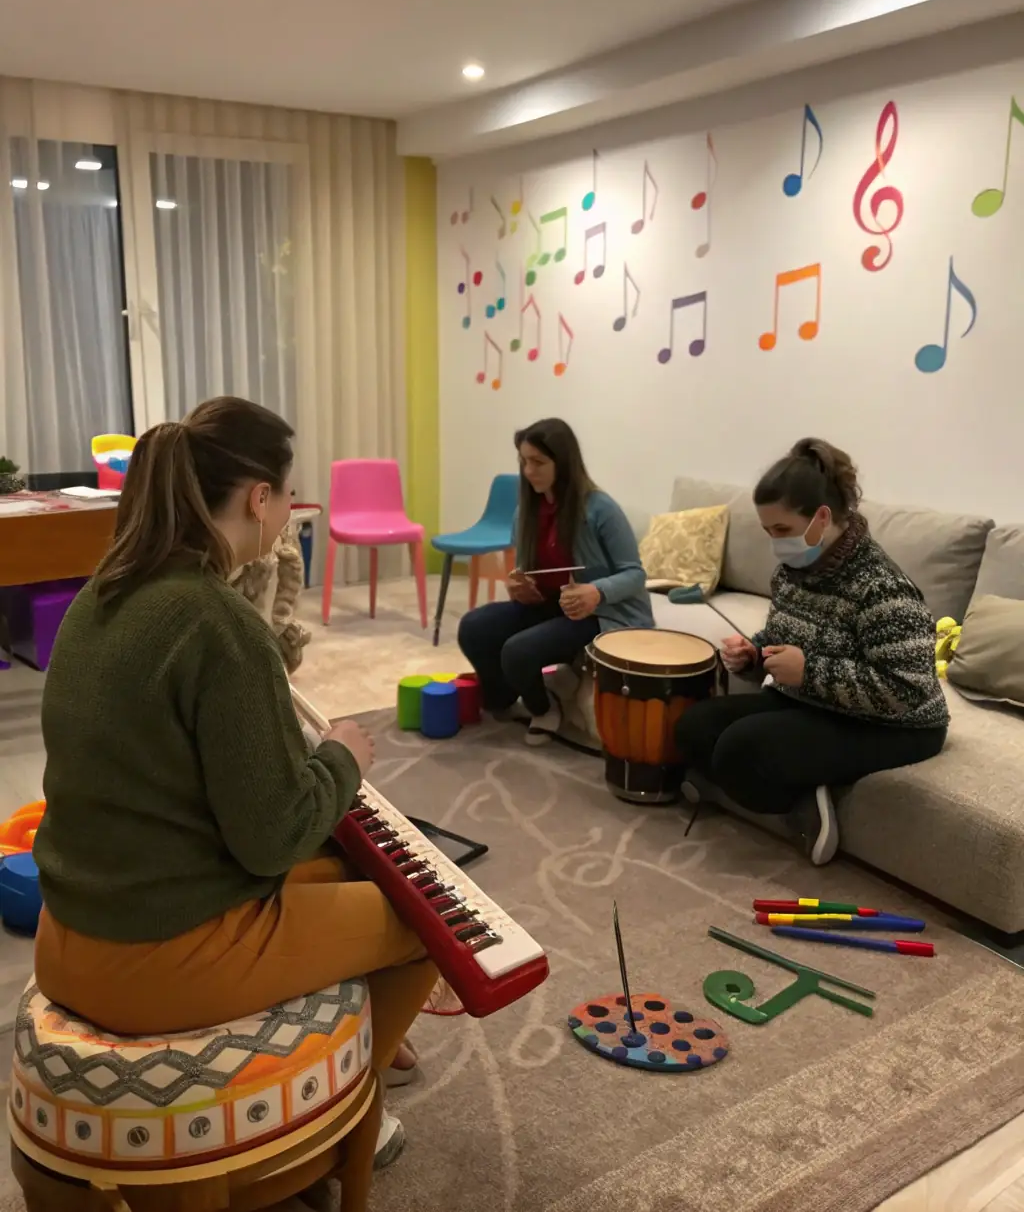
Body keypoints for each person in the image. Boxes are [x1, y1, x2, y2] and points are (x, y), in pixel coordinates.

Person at [33, 397, 435, 1167]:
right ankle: (348, 1110)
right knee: (422, 918)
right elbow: (271, 839)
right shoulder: (219, 623)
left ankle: (345, 1040)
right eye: (289, 497)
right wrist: (342, 758)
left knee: (349, 869)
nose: (289, 515)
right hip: (154, 955)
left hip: (68, 930)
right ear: (258, 499)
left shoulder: (100, 594)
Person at [674, 437, 948, 866]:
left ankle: (804, 799)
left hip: (895, 726)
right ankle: (798, 783)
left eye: (782, 530)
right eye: (768, 531)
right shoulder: (792, 571)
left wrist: (809, 672)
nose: (775, 543)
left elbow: (906, 690)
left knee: (740, 750)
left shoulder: (883, 587)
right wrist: (754, 654)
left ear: (821, 518)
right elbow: (782, 636)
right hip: (814, 700)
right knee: (694, 726)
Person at [458, 417, 653, 745]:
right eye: (524, 461)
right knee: (473, 627)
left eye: (538, 462)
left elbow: (635, 574)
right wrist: (519, 586)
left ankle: (544, 708)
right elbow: (524, 570)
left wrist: (597, 592)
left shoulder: (601, 509)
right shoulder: (526, 512)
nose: (528, 470)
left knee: (517, 651)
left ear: (563, 462)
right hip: (550, 605)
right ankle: (503, 697)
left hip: (599, 613)